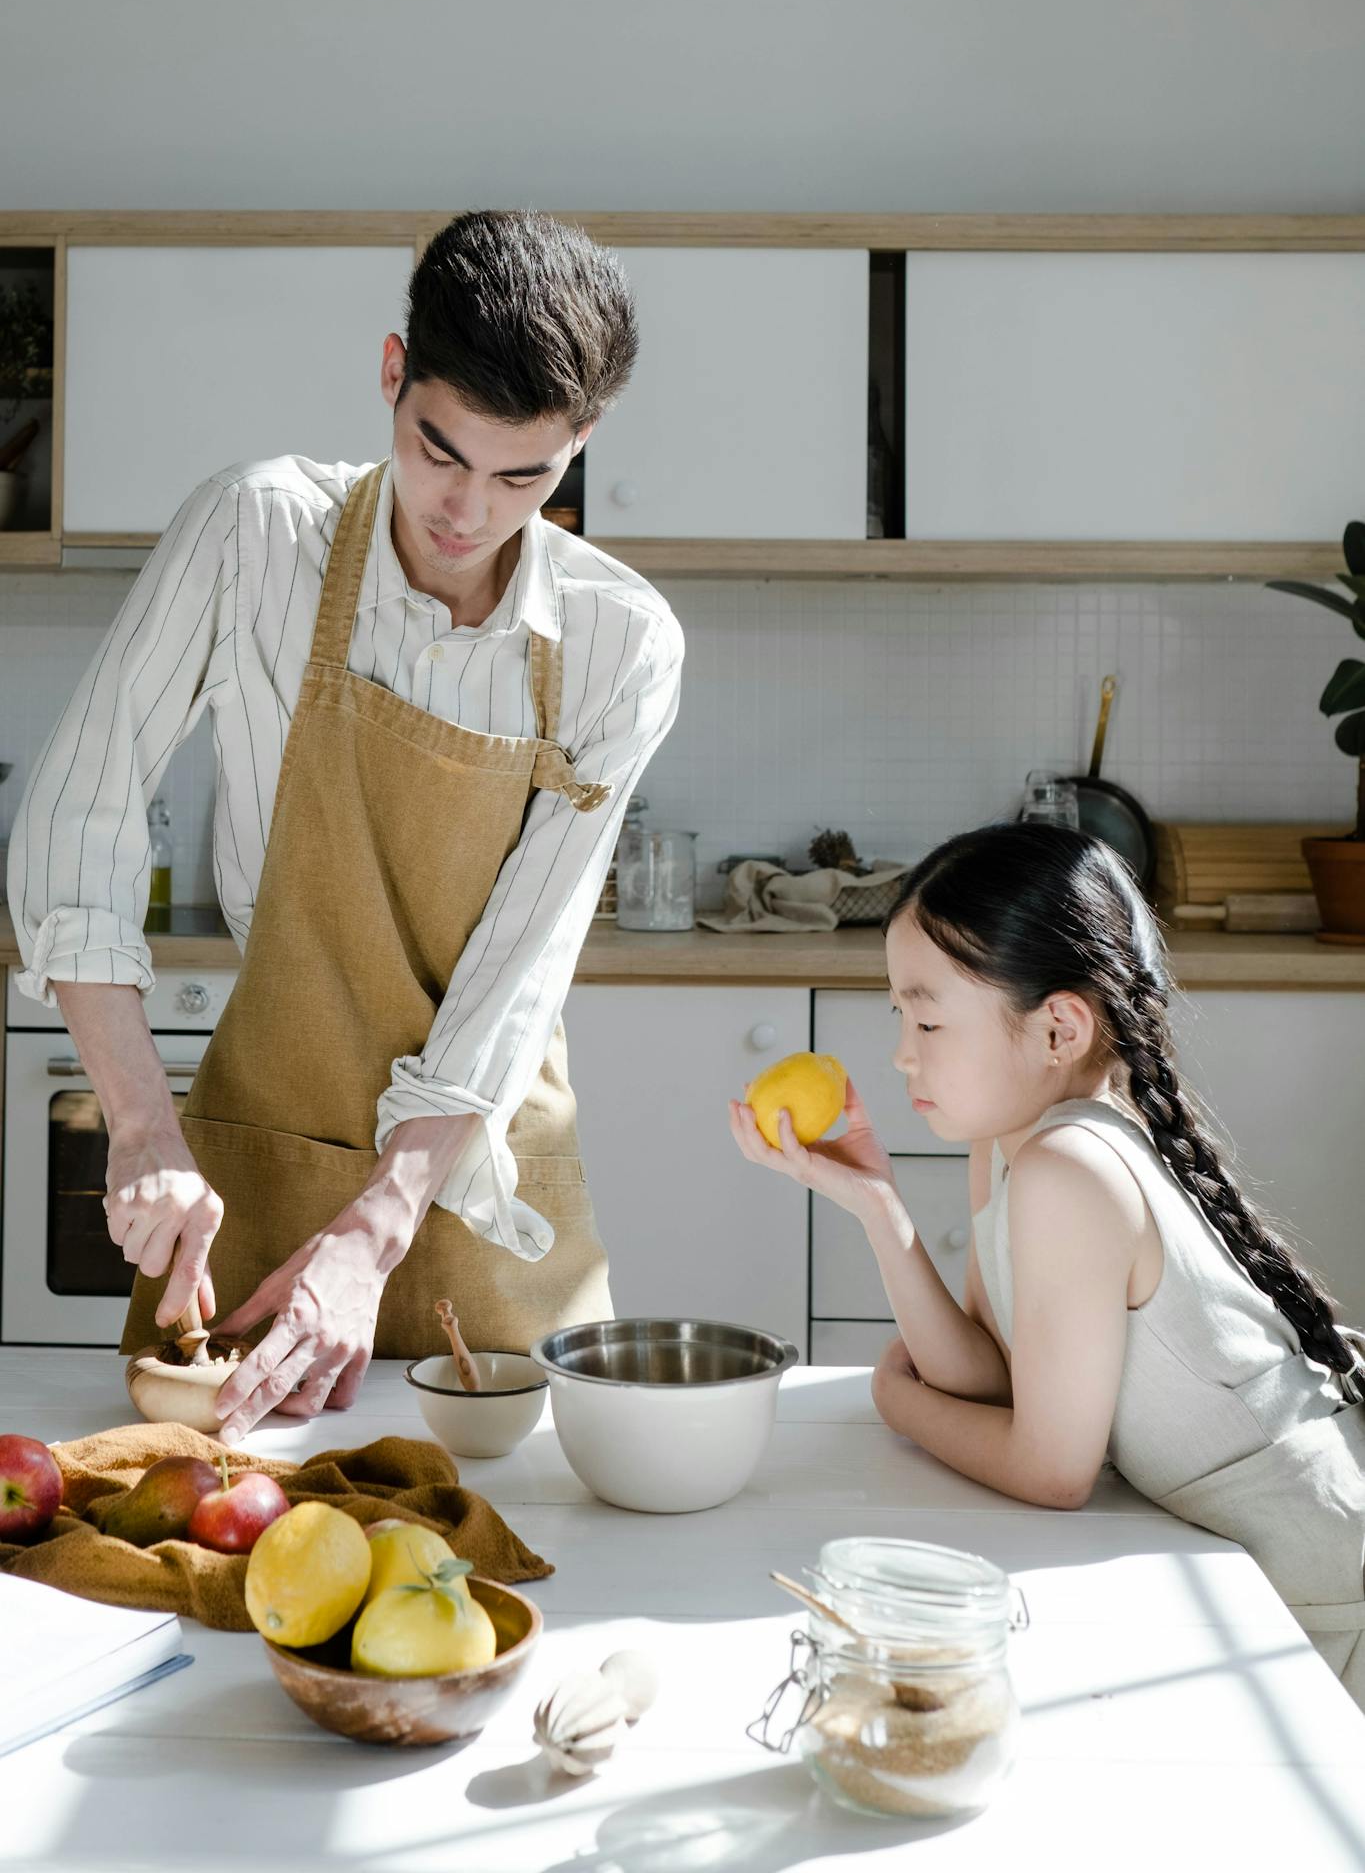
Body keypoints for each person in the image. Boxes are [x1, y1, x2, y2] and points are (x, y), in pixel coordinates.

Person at [11, 209, 683, 1444]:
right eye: (440, 451)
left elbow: (518, 972)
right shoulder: (254, 535)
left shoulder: (618, 646)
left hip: (475, 1179)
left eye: (524, 475)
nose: (468, 511)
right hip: (257, 1158)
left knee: (513, 1551)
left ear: (582, 443)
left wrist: (377, 1232)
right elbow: (75, 816)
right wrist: (144, 1127)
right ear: (391, 374)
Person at [730, 822, 1365, 1706]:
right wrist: (876, 1207)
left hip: (1323, 1583)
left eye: (927, 1017)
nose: (902, 1051)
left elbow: (1050, 1470)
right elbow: (996, 1385)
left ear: (1058, 1027)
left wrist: (894, 1398)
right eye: (896, 1015)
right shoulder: (1014, 1143)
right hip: (1268, 1560)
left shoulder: (1068, 1171)